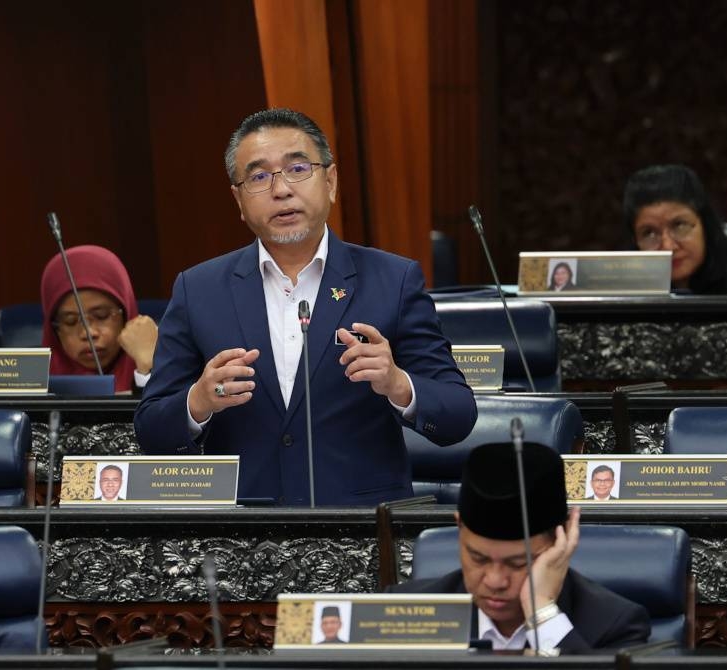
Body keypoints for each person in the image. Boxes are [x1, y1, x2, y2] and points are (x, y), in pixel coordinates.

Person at [134, 108, 477, 506]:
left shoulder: (393, 280)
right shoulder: (199, 290)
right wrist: (198, 402)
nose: (281, 189)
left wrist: (398, 384)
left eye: (297, 169)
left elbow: (458, 415)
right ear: (239, 200)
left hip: (360, 526)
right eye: (258, 177)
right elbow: (151, 430)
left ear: (330, 182)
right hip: (241, 529)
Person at [391, 442, 649, 652]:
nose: (495, 581)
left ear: (562, 540)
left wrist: (542, 614)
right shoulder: (401, 613)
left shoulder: (614, 625)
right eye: (478, 558)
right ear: (459, 527)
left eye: (518, 563)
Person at [624, 164, 727, 294]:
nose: (668, 246)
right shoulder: (624, 281)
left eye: (679, 225)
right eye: (649, 233)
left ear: (705, 224)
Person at [40, 245, 158, 394]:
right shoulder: (30, 384)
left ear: (126, 314)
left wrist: (149, 368)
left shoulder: (172, 363)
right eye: (70, 321)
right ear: (54, 330)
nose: (88, 333)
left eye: (102, 315)